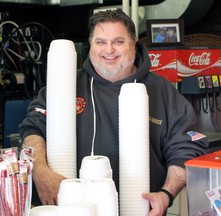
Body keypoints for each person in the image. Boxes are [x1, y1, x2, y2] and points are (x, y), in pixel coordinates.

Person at [19, 9, 208, 216]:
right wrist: (40, 172)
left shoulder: (161, 91)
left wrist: (166, 194)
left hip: (140, 210)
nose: (109, 50)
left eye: (118, 41)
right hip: (70, 210)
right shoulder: (64, 84)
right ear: (90, 45)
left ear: (133, 44)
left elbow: (186, 149)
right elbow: (33, 129)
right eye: (100, 42)